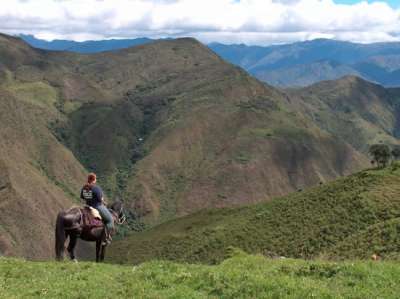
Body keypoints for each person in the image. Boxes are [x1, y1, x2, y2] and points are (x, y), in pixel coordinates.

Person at [80, 173, 114, 245]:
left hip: (87, 206)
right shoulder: (96, 188)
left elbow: (82, 197)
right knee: (110, 220)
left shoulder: (84, 187)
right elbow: (100, 199)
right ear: (94, 180)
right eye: (95, 179)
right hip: (97, 206)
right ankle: (105, 239)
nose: (96, 180)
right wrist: (103, 201)